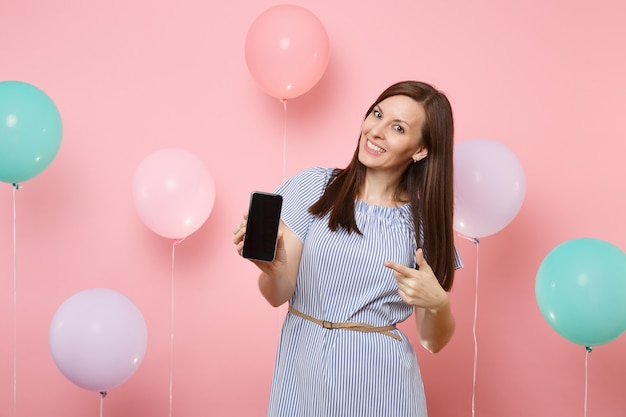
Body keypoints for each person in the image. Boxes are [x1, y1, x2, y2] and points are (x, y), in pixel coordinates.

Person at [233, 80, 462, 417]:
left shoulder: (424, 226)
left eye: (397, 128)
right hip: (303, 368)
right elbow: (276, 294)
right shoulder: (314, 187)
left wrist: (439, 304)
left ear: (421, 150)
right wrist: (273, 270)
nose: (377, 131)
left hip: (382, 381)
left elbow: (433, 341)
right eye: (377, 114)